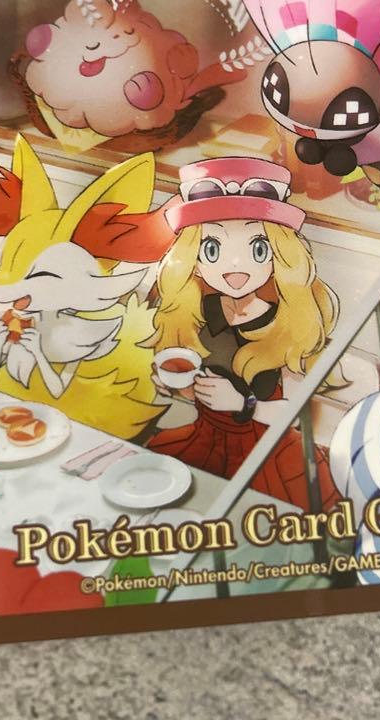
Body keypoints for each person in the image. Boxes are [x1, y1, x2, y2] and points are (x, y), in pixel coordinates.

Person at [146, 158, 342, 510]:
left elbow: (298, 415)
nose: (235, 266)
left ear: (280, 257)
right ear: (194, 261)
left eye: (258, 248)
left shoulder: (288, 323)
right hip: (205, 443)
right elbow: (196, 382)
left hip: (269, 454)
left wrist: (243, 405)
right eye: (212, 249)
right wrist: (178, 386)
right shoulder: (198, 312)